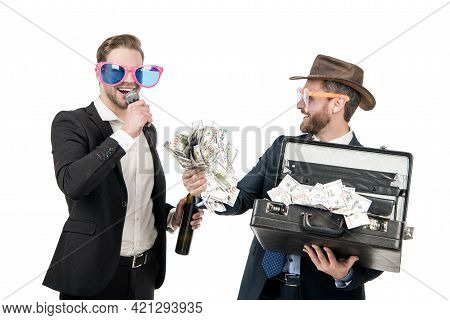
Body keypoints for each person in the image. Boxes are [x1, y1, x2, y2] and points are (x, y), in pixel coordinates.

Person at [183, 54, 382, 299]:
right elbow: (242, 198)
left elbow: (380, 245)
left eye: (308, 97)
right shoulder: (282, 148)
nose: (300, 105)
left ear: (337, 104)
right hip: (264, 289)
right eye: (300, 95)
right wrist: (207, 186)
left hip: (326, 296)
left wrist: (345, 275)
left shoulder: (374, 167)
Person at [43, 34, 203, 300]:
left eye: (137, 73)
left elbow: (134, 198)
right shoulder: (71, 122)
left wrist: (173, 216)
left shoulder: (146, 130)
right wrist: (127, 132)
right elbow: (73, 183)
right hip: (93, 276)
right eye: (116, 71)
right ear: (99, 74)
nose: (129, 80)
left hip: (144, 275)